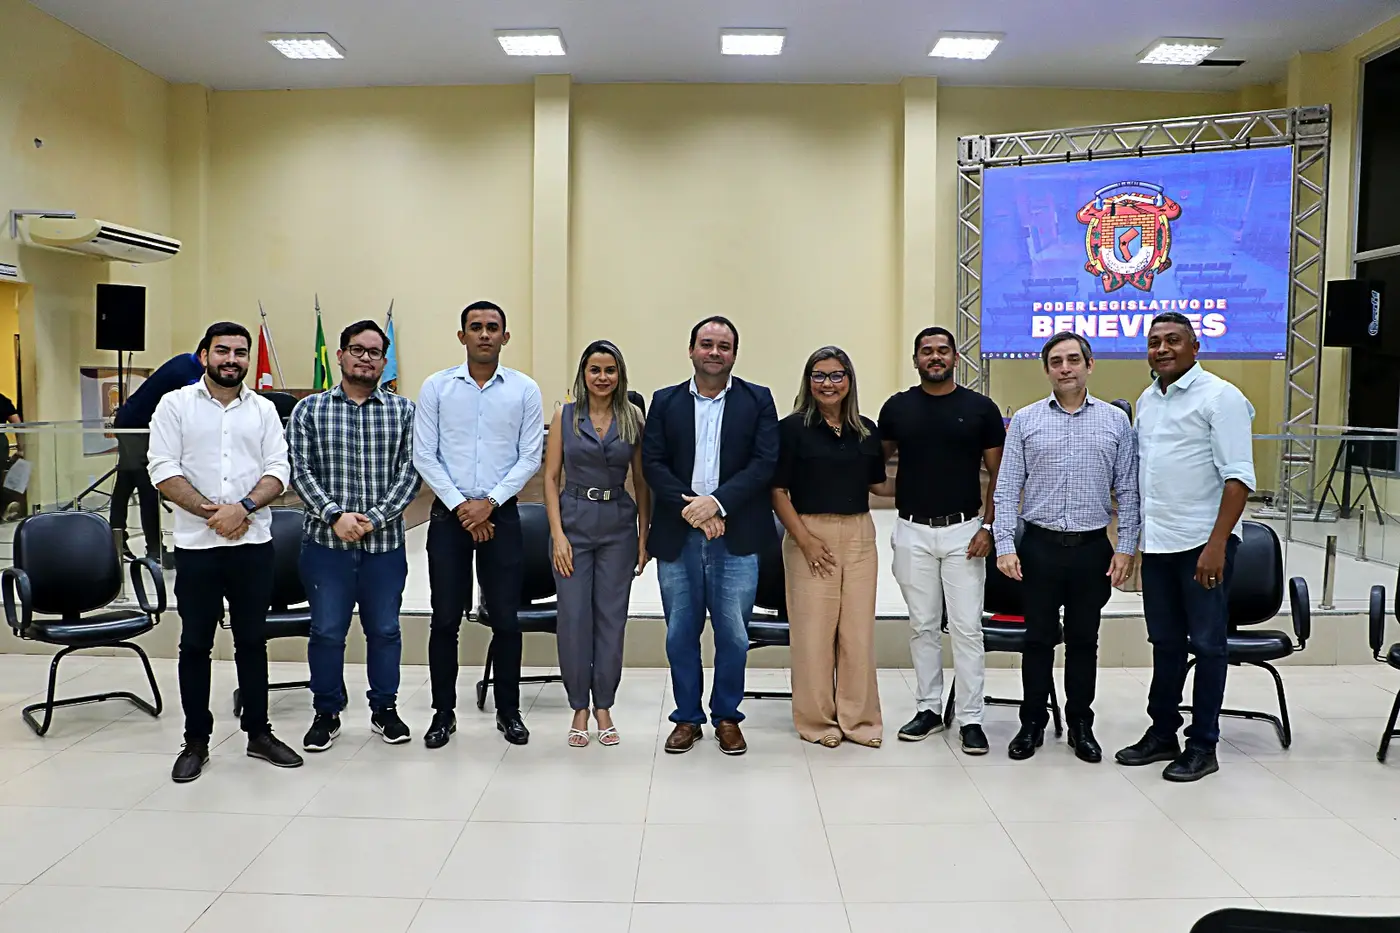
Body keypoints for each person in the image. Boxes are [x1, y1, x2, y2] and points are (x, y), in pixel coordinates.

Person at [147, 322, 303, 783]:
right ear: (204, 356)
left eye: (239, 352)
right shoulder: (174, 405)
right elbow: (162, 468)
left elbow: (279, 468)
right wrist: (212, 513)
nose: (231, 359)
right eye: (222, 351)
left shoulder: (264, 410)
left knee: (252, 641)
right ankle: (196, 741)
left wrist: (243, 508)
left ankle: (259, 733)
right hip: (197, 547)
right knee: (195, 644)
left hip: (252, 546)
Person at [1116, 311, 1255, 782]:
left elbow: (1238, 479)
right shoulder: (1147, 400)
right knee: (1165, 642)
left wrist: (1217, 545)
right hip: (1159, 544)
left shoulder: (1221, 397)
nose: (1162, 349)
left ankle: (1203, 744)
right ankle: (1162, 734)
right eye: (1154, 342)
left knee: (1209, 645)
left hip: (1202, 545)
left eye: (1173, 340)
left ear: (1195, 347)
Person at [993, 332, 1139, 763]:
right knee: (1037, 640)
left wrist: (1126, 547)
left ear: (1089, 365)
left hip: (1091, 550)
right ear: (1046, 370)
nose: (1065, 368)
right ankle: (1032, 723)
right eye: (1056, 361)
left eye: (1074, 359)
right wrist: (1005, 544)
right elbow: (1007, 488)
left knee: (1083, 641)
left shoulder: (1115, 421)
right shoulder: (1026, 420)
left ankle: (1080, 724)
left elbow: (1128, 491)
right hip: (1039, 547)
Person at [643, 316, 778, 756]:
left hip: (735, 535)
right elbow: (653, 464)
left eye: (724, 346)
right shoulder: (664, 401)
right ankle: (687, 717)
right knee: (680, 633)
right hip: (678, 534)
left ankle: (726, 716)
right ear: (691, 350)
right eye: (706, 344)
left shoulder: (758, 400)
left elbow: (763, 463)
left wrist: (717, 504)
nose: (714, 352)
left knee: (733, 634)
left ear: (734, 354)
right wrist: (694, 510)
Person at [414, 300, 544, 748]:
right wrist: (462, 507)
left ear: (505, 337)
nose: (484, 334)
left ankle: (509, 711)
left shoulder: (524, 389)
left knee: (506, 619)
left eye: (492, 327)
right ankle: (442, 713)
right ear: (462, 336)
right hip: (449, 515)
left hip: (500, 514)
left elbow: (530, 456)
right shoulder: (436, 387)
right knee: (444, 619)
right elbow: (424, 454)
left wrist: (487, 504)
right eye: (476, 327)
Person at [287, 319, 421, 753]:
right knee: (327, 631)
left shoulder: (404, 412)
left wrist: (375, 518)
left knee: (385, 630)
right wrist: (334, 516)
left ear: (384, 361)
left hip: (384, 546)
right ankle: (326, 713)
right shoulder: (309, 410)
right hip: (326, 546)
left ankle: (385, 709)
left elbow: (411, 473)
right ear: (341, 355)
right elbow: (298, 470)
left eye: (374, 352)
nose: (365, 358)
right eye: (357, 350)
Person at [879, 326, 1004, 755]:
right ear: (916, 359)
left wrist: (989, 527)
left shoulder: (980, 409)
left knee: (967, 629)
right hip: (911, 530)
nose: (935, 357)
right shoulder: (897, 408)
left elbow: (999, 475)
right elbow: (873, 465)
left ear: (954, 357)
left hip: (964, 532)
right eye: (927, 351)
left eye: (943, 350)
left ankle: (971, 718)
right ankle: (929, 709)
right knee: (923, 626)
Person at [772, 346, 889, 748]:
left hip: (859, 535)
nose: (828, 383)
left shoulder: (866, 430)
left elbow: (879, 485)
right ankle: (818, 722)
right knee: (814, 635)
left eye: (837, 375)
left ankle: (860, 721)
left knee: (857, 634)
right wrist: (804, 540)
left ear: (849, 381)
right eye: (819, 375)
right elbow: (777, 491)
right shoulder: (791, 429)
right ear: (808, 382)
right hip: (808, 533)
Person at [543, 340, 651, 747]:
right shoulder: (565, 415)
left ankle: (603, 705)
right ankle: (579, 707)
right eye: (595, 370)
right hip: (573, 523)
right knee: (573, 619)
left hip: (618, 526)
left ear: (620, 375)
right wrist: (557, 535)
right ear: (583, 374)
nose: (602, 377)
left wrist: (643, 536)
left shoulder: (632, 417)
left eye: (610, 370)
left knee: (611, 619)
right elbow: (550, 477)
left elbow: (641, 481)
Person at [111, 351, 203, 557]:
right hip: (137, 428)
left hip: (130, 422)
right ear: (204, 356)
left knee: (126, 482)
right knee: (149, 485)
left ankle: (117, 539)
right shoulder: (190, 378)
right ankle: (154, 549)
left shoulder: (185, 360)